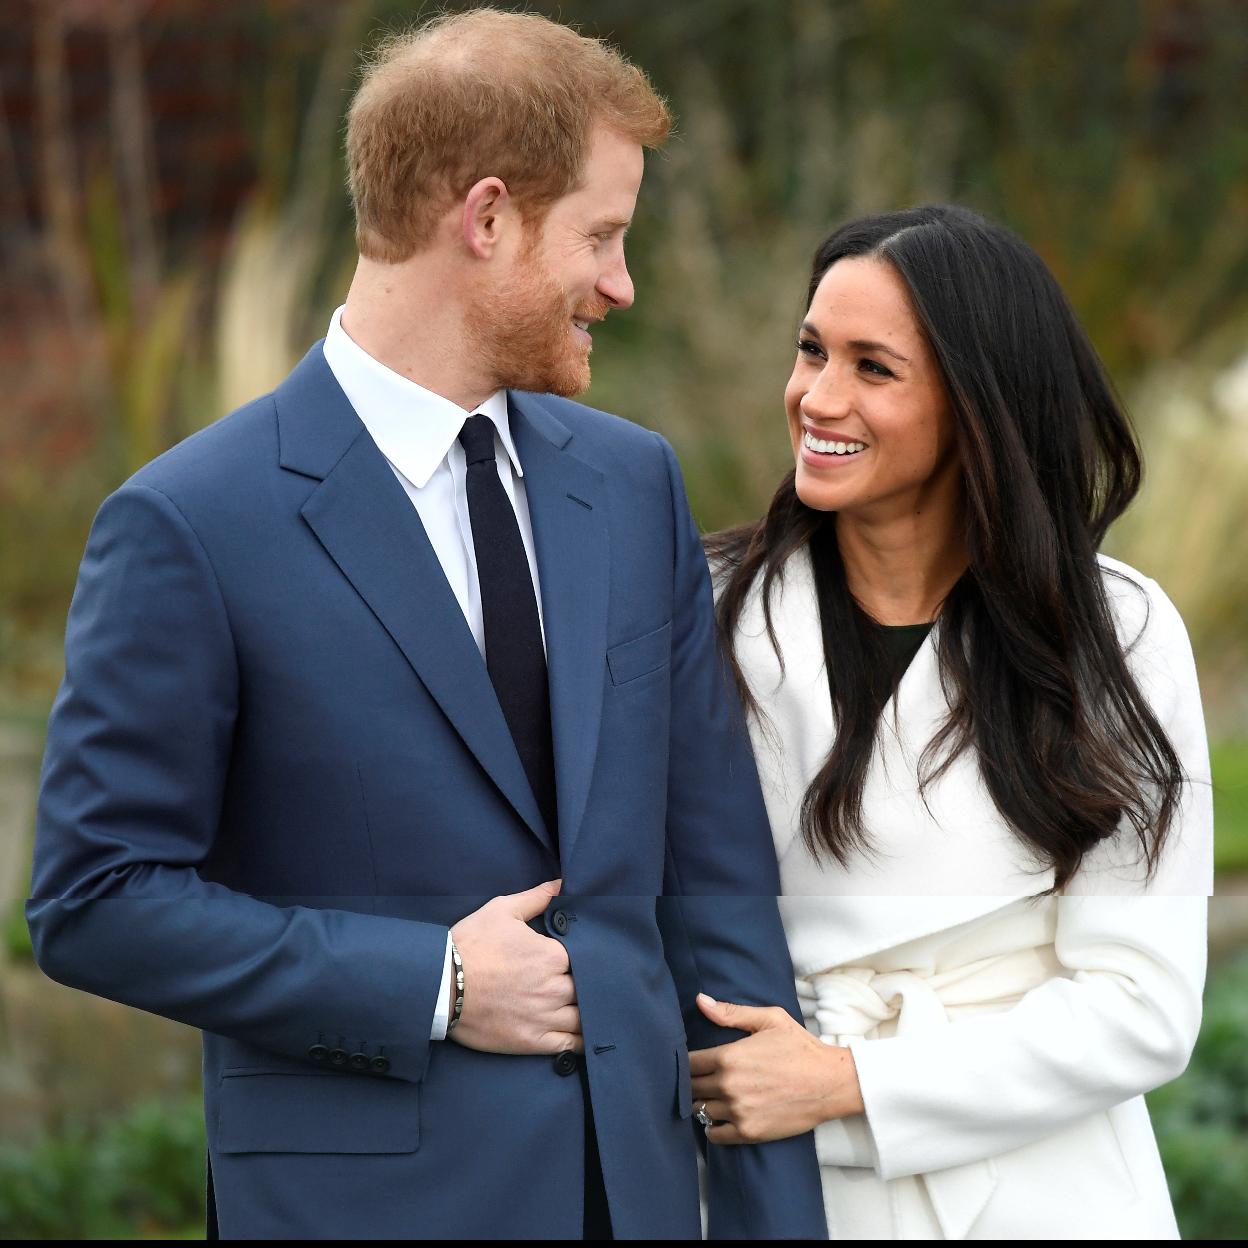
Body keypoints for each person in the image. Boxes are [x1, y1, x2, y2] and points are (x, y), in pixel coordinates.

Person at [26, 10, 827, 1241]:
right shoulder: (191, 523)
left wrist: (776, 1224)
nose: (622, 283)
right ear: (487, 217)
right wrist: (433, 984)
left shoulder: (631, 484)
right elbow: (97, 899)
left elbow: (714, 892)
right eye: (602, 237)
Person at [692, 204, 1213, 1239]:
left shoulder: (1117, 632)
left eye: (873, 368)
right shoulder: (707, 609)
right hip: (777, 1187)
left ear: (980, 404)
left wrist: (847, 1083)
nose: (817, 397)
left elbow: (1143, 1005)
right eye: (811, 350)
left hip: (1046, 1195)